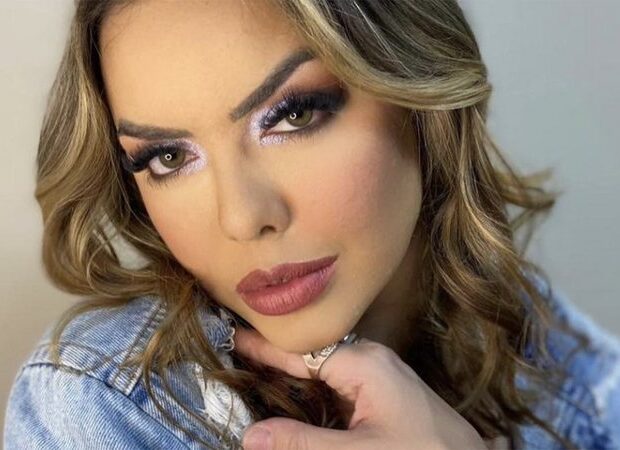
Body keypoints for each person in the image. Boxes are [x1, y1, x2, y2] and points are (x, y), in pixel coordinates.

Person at [4, 0, 620, 449]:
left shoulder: (551, 356)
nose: (242, 219)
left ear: (417, 95)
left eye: (292, 115)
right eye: (167, 157)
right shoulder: (103, 403)